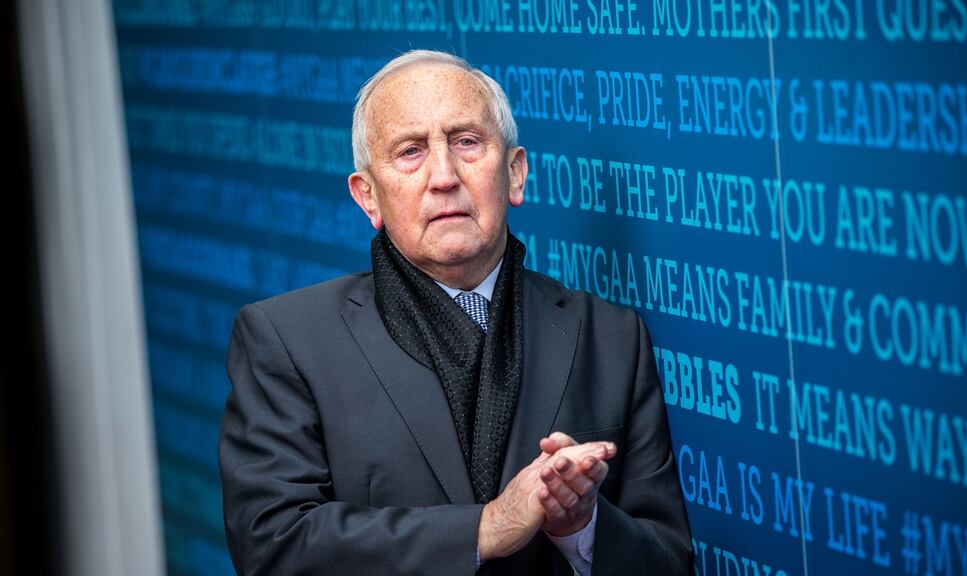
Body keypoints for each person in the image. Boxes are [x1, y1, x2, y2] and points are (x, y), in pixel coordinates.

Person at [219, 49, 694, 575]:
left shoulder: (611, 339)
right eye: (410, 152)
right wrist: (486, 527)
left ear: (515, 174)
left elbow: (670, 562)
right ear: (368, 197)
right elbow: (273, 547)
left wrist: (581, 525)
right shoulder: (288, 341)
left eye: (466, 142)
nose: (443, 176)